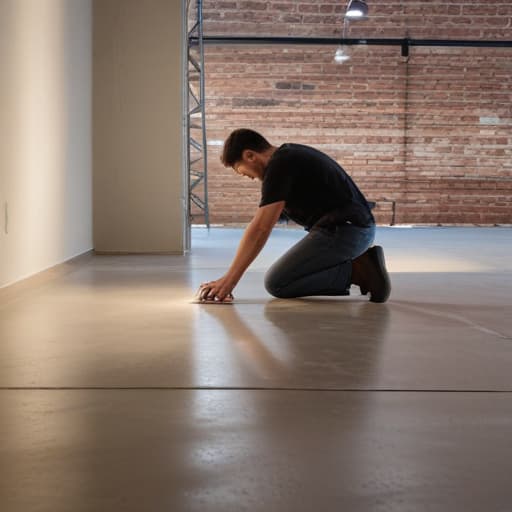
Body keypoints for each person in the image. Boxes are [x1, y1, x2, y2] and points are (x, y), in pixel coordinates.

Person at [197, 128, 391, 303]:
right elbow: (263, 220)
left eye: (241, 171)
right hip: (353, 230)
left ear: (250, 156)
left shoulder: (281, 165)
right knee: (283, 277)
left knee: (278, 282)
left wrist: (229, 280)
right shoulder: (289, 157)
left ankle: (359, 271)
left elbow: (261, 228)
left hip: (345, 231)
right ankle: (359, 265)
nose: (248, 177)